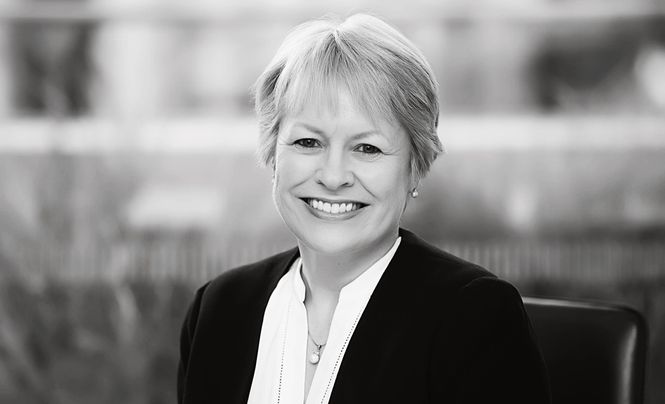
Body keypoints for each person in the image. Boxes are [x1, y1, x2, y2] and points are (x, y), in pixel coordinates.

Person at [178, 13, 550, 404]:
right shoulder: (218, 311)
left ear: (415, 167)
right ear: (273, 153)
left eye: (367, 148)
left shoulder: (475, 318)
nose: (333, 176)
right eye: (308, 143)